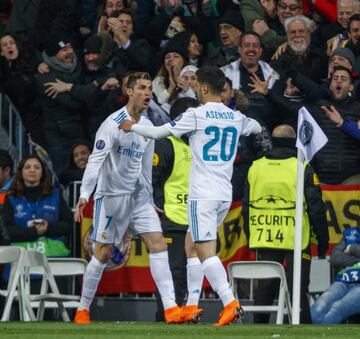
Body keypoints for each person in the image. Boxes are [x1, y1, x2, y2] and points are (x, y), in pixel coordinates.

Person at [119, 66, 262, 326]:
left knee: (206, 252)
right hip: (224, 195)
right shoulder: (236, 117)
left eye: (197, 85)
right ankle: (192, 305)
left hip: (202, 195)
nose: (195, 88)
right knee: (191, 245)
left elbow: (158, 132)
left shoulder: (196, 115)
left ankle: (230, 302)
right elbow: (256, 127)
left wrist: (133, 126)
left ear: (205, 88)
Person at [73, 72, 182, 325]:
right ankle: (82, 309)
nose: (147, 93)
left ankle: (171, 308)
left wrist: (150, 197)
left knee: (158, 244)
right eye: (142, 88)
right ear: (130, 91)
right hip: (111, 197)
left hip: (138, 199)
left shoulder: (147, 128)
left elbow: (145, 169)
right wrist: (84, 194)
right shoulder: (112, 124)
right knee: (103, 253)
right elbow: (96, 160)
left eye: (150, 90)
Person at [242, 124, 329, 324]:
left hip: (265, 236)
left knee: (265, 289)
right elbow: (316, 208)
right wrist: (323, 240)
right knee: (297, 289)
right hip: (296, 239)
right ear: (294, 142)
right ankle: (302, 329)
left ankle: (258, 329)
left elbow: (246, 207)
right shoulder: (302, 167)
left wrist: (250, 235)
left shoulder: (256, 167)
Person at [152, 97, 200, 322]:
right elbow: (153, 178)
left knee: (189, 275)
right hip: (171, 220)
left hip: (193, 221)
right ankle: (165, 319)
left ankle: (183, 316)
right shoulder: (166, 143)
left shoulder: (198, 144)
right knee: (174, 275)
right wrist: (157, 206)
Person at [1, 154, 72, 255]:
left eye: (37, 167)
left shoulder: (56, 194)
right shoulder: (11, 198)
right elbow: (6, 230)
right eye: (27, 167)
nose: (32, 170)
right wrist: (34, 232)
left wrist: (48, 228)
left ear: (42, 172)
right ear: (21, 172)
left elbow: (68, 224)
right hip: (20, 261)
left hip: (54, 260)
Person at [311, 226, 360, 324]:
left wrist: (352, 248)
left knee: (337, 309)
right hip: (344, 280)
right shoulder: (352, 233)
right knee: (316, 311)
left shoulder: (352, 243)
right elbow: (335, 258)